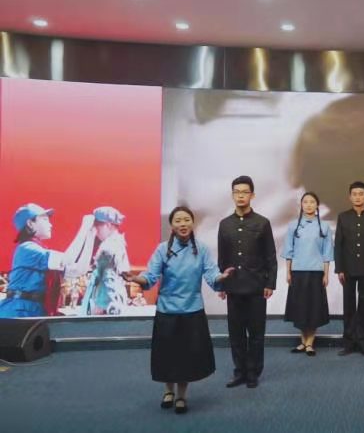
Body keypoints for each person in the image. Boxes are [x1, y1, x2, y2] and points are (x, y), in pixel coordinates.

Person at [123, 206, 234, 414]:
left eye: (186, 220)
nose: (183, 224)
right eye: (178, 220)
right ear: (172, 226)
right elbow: (150, 277)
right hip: (167, 310)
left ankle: (182, 395)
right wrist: (136, 279)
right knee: (167, 354)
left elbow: (212, 274)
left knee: (186, 356)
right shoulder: (162, 249)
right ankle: (168, 391)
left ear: (192, 223)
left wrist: (222, 277)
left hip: (192, 310)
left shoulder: (201, 249)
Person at [218, 176, 277, 388]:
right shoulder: (225, 224)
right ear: (232, 195)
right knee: (236, 333)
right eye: (237, 192)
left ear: (252, 195)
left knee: (256, 333)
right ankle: (239, 371)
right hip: (233, 286)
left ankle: (253, 372)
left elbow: (270, 256)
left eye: (245, 192)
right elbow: (222, 258)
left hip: (256, 286)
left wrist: (270, 283)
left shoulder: (262, 223)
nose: (240, 195)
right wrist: (222, 284)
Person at [0, 203, 94, 318]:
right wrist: (84, 227)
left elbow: (79, 270)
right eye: (45, 220)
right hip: (19, 313)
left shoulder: (38, 251)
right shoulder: (27, 249)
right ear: (30, 224)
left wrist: (90, 235)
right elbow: (67, 259)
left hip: (32, 311)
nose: (50, 225)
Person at [335, 181, 364, 357]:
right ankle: (348, 342)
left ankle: (362, 341)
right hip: (347, 269)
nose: (357, 197)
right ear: (350, 197)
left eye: (361, 194)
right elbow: (338, 245)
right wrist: (339, 268)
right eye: (354, 194)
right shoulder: (343, 217)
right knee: (348, 305)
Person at [282, 192, 333, 356]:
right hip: (297, 271)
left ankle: (310, 342)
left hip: (316, 272)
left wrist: (326, 274)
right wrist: (288, 272)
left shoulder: (324, 226)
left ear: (317, 205)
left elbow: (327, 253)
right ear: (301, 205)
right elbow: (288, 251)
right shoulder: (293, 226)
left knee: (313, 308)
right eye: (305, 202)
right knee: (300, 307)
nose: (309, 205)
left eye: (312, 202)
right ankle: (303, 341)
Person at [81, 206, 131, 315]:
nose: (95, 229)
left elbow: (109, 279)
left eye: (97, 224)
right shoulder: (117, 243)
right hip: (111, 303)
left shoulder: (109, 247)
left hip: (106, 305)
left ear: (108, 225)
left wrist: (102, 305)